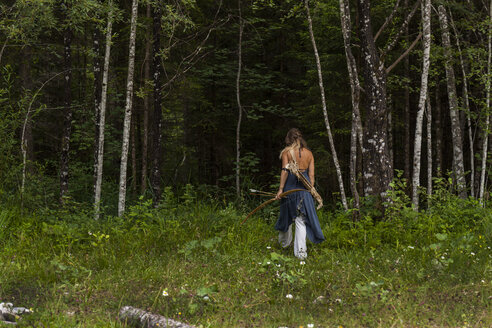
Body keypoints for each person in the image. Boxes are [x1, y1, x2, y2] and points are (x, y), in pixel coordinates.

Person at [274, 128, 325, 259]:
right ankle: (301, 254)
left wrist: (280, 189)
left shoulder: (287, 152)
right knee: (301, 219)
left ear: (289, 139)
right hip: (304, 187)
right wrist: (310, 189)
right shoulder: (309, 154)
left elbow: (285, 171)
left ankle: (284, 244)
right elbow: (312, 175)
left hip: (290, 186)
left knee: (286, 216)